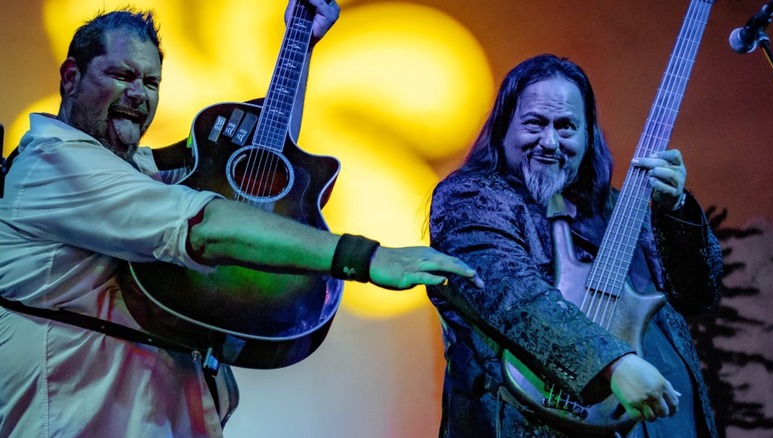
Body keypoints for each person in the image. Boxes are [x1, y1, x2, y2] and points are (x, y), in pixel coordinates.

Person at [0, 2, 483, 437]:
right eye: (122, 75)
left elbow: (265, 169)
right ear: (70, 77)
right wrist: (365, 257)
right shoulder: (54, 164)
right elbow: (206, 226)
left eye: (150, 83)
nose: (138, 94)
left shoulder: (131, 170)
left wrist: (301, 42)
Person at [426, 54, 722, 437]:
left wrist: (676, 210)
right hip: (531, 422)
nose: (549, 142)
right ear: (503, 129)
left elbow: (698, 294)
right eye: (534, 123)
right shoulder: (470, 198)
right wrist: (613, 365)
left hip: (667, 420)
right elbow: (514, 297)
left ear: (587, 136)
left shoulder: (617, 206)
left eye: (566, 127)